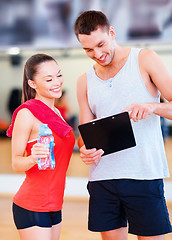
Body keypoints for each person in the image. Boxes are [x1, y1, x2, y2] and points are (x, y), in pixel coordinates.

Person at [74, 10, 172, 240]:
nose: (97, 54)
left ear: (112, 32)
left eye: (101, 44)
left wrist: (153, 107)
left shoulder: (144, 58)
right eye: (88, 49)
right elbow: (84, 136)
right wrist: (85, 150)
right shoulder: (83, 81)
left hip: (143, 175)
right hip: (103, 179)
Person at [6, 54, 75, 240]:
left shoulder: (58, 114)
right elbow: (16, 163)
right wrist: (32, 158)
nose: (57, 82)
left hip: (55, 204)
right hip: (32, 205)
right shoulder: (26, 113)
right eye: (49, 79)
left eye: (58, 75)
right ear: (33, 83)